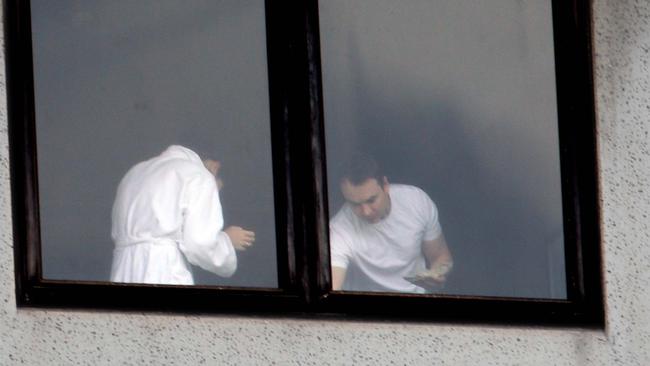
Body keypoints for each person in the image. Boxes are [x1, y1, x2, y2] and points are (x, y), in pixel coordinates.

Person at [110, 145, 255, 285]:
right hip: (163, 273)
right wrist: (227, 240)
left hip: (122, 273)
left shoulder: (134, 174)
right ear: (215, 167)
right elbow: (200, 243)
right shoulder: (198, 175)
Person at [329, 154, 453, 293]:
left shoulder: (416, 201)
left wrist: (436, 274)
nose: (366, 211)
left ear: (386, 185)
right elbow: (333, 286)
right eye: (354, 204)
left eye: (371, 200)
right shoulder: (338, 229)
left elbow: (440, 256)